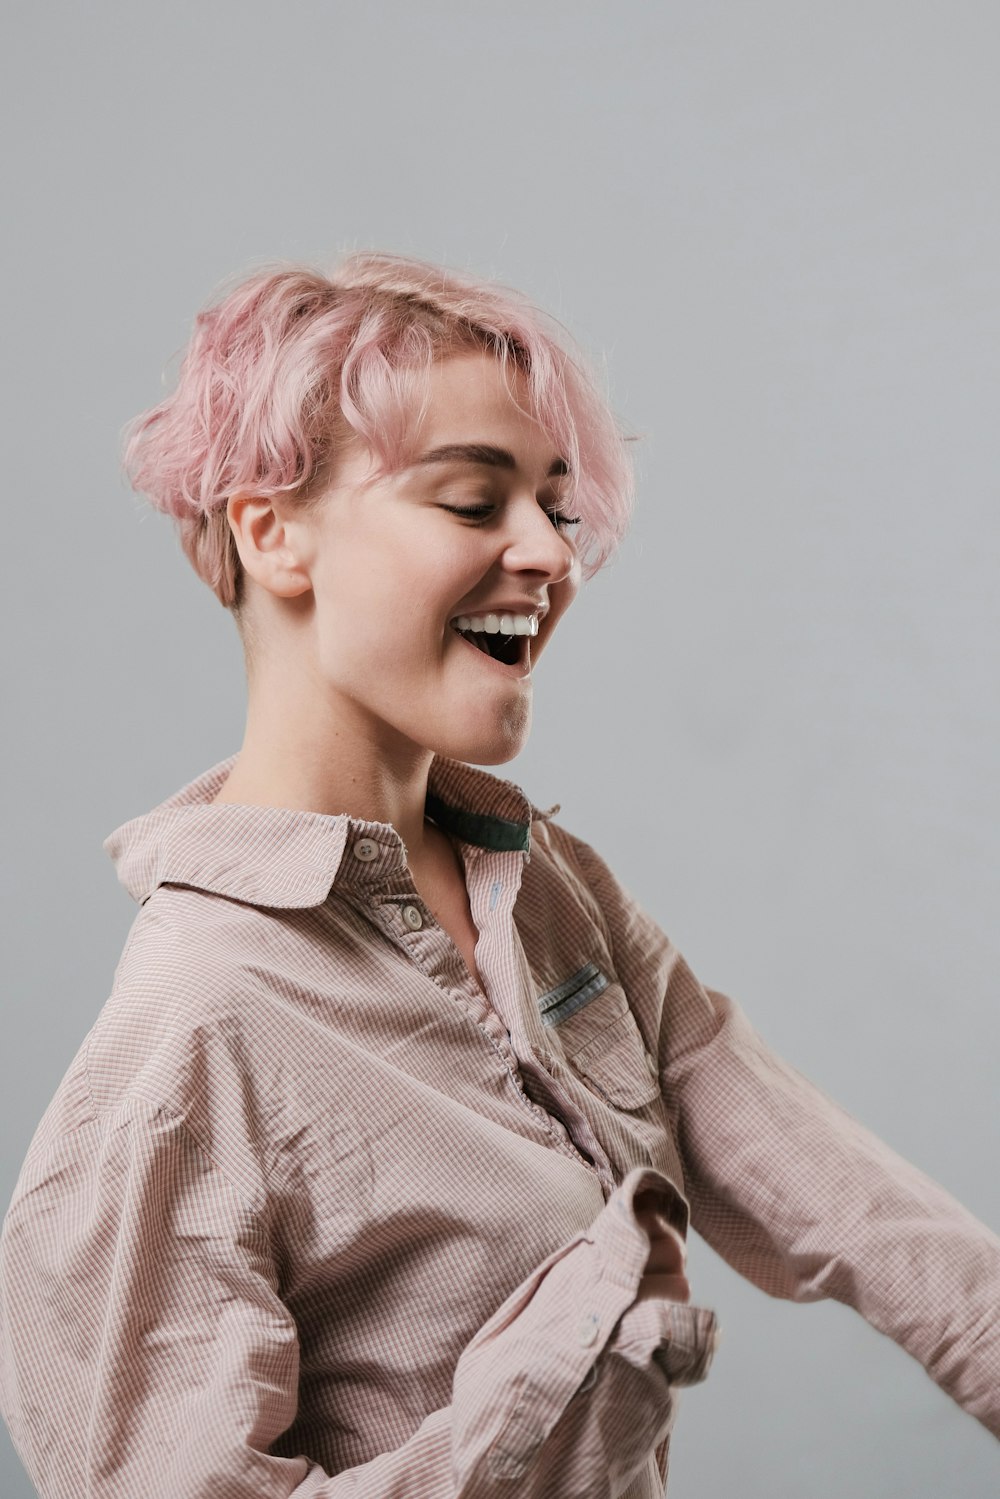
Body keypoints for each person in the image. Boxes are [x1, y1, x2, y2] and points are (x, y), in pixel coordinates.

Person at [0, 253, 996, 1499]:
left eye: (555, 507)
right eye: (474, 502)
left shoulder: (552, 888)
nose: (547, 553)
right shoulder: (192, 1028)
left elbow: (852, 1209)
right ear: (273, 531)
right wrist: (545, 1364)